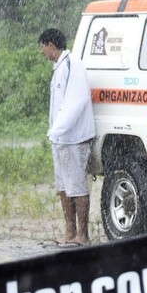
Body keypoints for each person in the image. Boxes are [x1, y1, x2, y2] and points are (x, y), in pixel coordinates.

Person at [39, 28, 96, 247]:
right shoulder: (60, 68)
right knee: (63, 186)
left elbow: (77, 101)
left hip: (74, 138)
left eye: (42, 47)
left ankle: (83, 235)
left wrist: (58, 130)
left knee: (77, 186)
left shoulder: (74, 65)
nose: (42, 52)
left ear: (51, 45)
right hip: (60, 139)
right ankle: (69, 232)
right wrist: (55, 133)